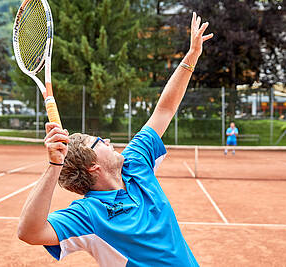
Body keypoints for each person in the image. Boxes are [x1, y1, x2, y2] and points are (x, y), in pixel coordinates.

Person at [17, 12, 213, 267]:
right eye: (100, 143)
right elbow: (29, 232)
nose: (108, 141)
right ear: (93, 166)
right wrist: (55, 165)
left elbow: (164, 109)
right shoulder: (88, 214)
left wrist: (191, 57)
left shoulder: (135, 162)